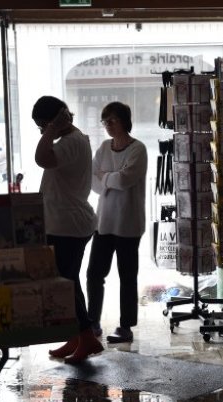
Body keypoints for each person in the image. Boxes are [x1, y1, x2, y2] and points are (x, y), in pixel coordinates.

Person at [32, 95, 102, 364]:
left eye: (43, 124)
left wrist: (51, 129)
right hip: (66, 223)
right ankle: (77, 337)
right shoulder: (72, 140)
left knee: (68, 284)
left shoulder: (71, 141)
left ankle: (86, 337)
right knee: (69, 282)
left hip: (68, 225)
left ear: (57, 119)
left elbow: (41, 158)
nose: (42, 131)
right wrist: (52, 129)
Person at [87, 101, 148, 344]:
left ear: (124, 121)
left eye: (112, 120)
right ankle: (92, 321)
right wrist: (109, 179)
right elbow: (93, 181)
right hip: (104, 221)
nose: (108, 125)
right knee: (94, 274)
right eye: (105, 121)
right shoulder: (104, 147)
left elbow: (125, 180)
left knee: (127, 276)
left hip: (128, 223)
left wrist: (106, 178)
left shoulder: (138, 149)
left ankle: (126, 326)